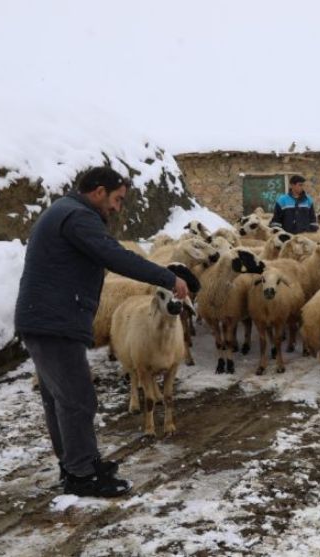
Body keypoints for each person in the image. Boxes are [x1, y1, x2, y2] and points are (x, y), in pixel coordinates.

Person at [14, 166, 190, 498]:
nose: (117, 207)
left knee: (59, 399)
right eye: (117, 199)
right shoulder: (78, 217)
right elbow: (114, 255)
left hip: (44, 318)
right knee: (77, 399)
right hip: (54, 320)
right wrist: (168, 278)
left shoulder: (64, 211)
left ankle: (78, 464)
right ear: (98, 192)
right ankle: (82, 475)